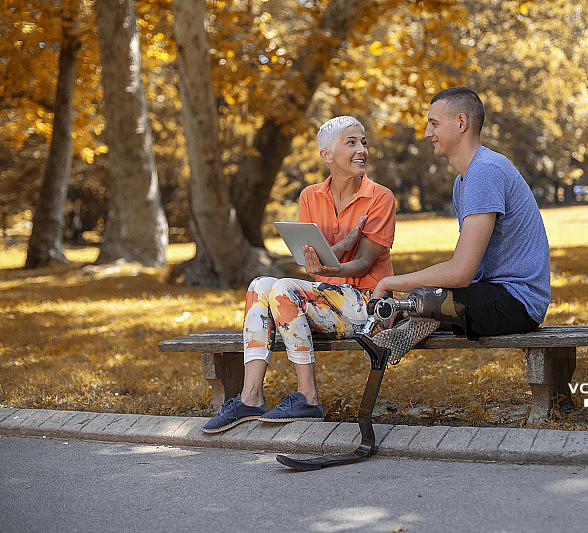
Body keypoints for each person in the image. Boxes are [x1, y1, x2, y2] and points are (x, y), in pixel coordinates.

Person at [202, 116, 396, 433]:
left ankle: (308, 397)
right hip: (326, 307)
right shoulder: (309, 197)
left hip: (367, 307)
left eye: (363, 142)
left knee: (282, 289)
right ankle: (250, 397)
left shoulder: (380, 197)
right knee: (259, 285)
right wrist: (341, 246)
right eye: (352, 142)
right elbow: (313, 262)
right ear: (327, 155)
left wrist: (331, 262)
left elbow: (362, 264)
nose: (362, 149)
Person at [373, 86, 549, 344]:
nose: (427, 133)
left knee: (421, 302)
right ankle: (402, 328)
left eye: (434, 124)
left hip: (517, 302)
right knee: (418, 301)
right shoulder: (464, 180)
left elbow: (461, 273)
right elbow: (467, 270)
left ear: (461, 122)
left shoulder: (484, 171)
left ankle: (393, 339)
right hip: (493, 293)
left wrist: (389, 283)